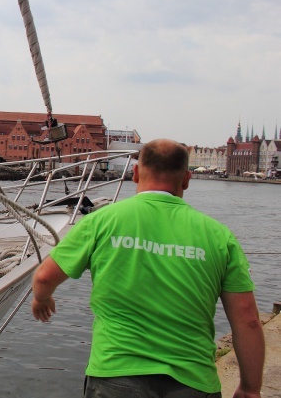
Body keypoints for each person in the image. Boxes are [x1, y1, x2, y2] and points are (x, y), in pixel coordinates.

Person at [32, 139, 265, 398]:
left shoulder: (102, 221)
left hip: (116, 375)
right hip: (193, 381)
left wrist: (42, 299)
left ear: (135, 174)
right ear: (187, 179)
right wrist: (250, 387)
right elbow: (247, 320)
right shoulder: (219, 236)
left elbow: (43, 277)